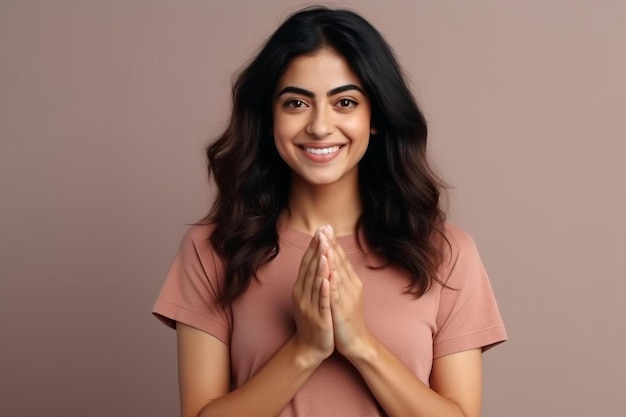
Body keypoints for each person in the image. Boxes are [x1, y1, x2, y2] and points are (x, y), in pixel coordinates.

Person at [153, 6, 506, 417]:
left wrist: (360, 344)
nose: (320, 125)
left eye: (344, 102)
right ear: (269, 118)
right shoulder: (213, 249)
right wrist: (304, 349)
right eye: (296, 103)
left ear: (374, 116)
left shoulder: (447, 254)